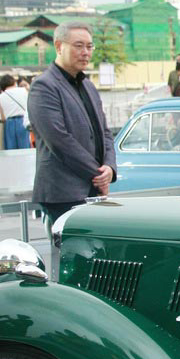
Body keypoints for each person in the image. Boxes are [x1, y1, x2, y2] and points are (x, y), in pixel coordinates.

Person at [28, 24, 117, 226]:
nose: (85, 52)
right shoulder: (44, 86)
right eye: (79, 45)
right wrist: (98, 174)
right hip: (64, 192)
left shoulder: (88, 86)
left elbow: (105, 132)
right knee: (69, 246)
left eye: (89, 46)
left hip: (93, 189)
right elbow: (58, 140)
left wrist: (110, 168)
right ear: (59, 46)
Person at [0, 73, 31, 149]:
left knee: (11, 149)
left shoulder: (1, 96)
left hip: (9, 123)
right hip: (22, 121)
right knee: (25, 148)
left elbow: (3, 118)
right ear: (13, 82)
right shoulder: (23, 90)